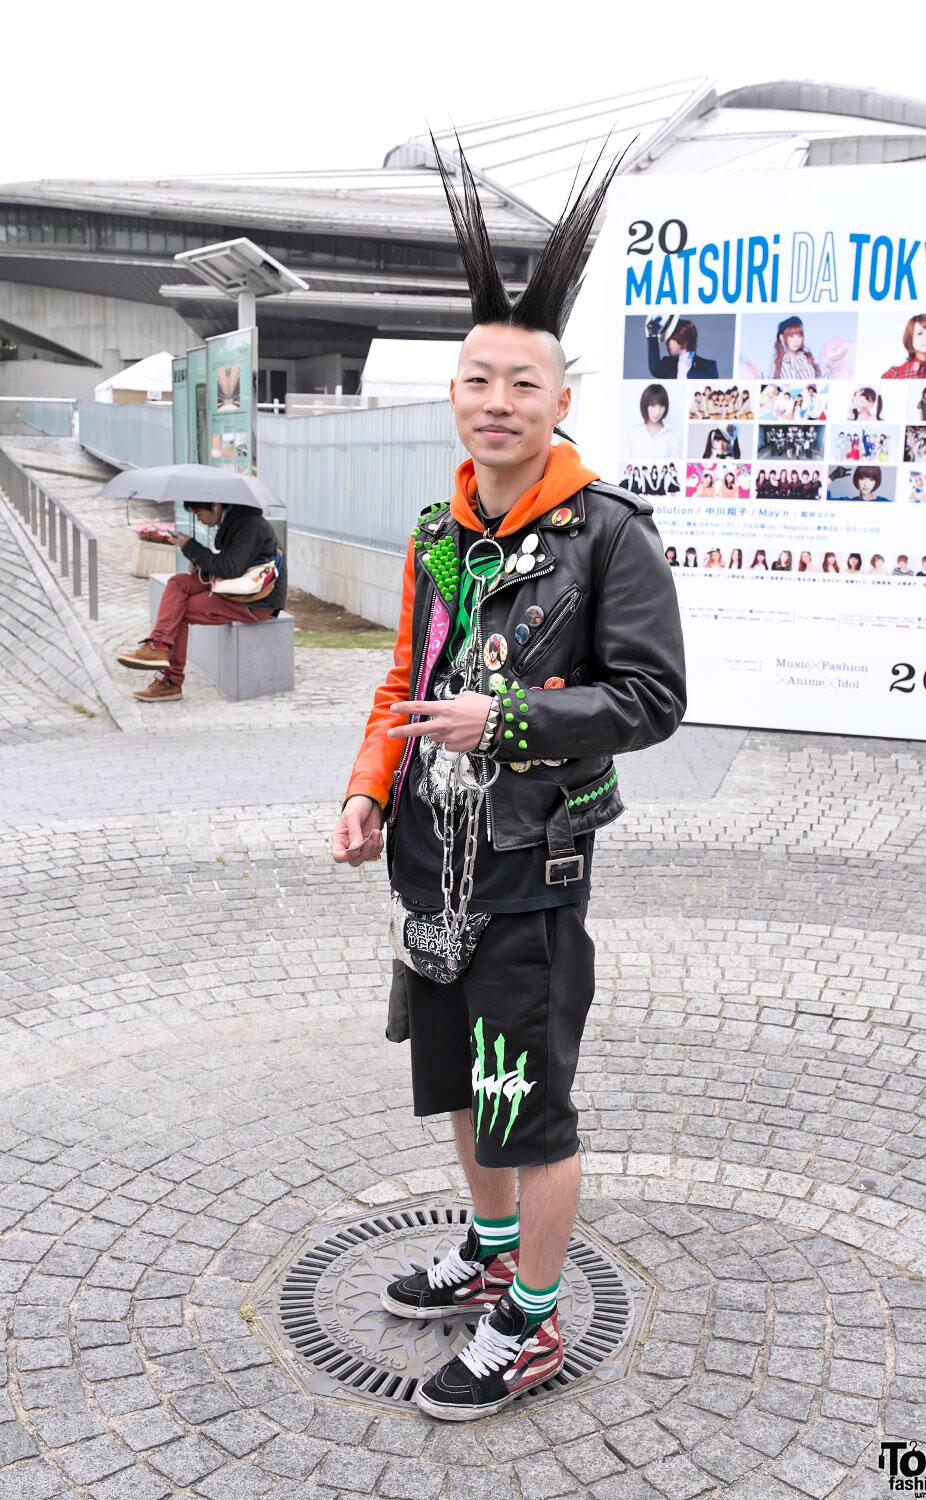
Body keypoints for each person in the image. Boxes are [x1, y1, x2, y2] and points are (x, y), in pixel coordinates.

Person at [332, 137, 685, 1423]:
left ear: (558, 398)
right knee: (461, 1080)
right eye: (477, 379)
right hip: (431, 861)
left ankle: (530, 1323)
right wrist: (371, 786)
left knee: (526, 1104)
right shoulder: (440, 533)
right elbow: (404, 679)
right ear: (455, 394)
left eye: (521, 382)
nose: (497, 400)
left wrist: (513, 717)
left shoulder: (608, 537)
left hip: (534, 869)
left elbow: (652, 701)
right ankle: (488, 1255)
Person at [116, 500, 286, 701]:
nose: (200, 520)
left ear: (215, 506)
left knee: (178, 612)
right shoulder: (236, 521)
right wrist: (201, 565)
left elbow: (230, 568)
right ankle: (159, 646)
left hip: (255, 600)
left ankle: (171, 681)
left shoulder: (251, 525)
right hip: (236, 587)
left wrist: (191, 547)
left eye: (199, 514)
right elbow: (233, 563)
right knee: (178, 583)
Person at [646, 316, 719, 379]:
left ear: (682, 340)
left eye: (669, 340)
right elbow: (655, 369)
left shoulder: (708, 366)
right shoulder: (667, 364)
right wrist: (652, 335)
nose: (666, 344)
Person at [629, 383, 679, 469]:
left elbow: (676, 466)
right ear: (645, 405)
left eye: (662, 406)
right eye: (652, 405)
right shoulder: (633, 431)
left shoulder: (672, 434)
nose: (657, 412)